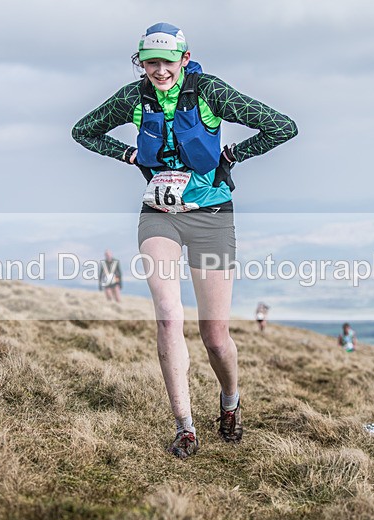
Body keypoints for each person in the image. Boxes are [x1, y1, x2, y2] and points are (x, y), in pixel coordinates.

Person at [72, 22, 297, 459]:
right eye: (150, 62)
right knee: (168, 316)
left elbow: (281, 126)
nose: (158, 71)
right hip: (160, 216)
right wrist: (128, 154)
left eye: (167, 62)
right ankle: (185, 427)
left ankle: (230, 401)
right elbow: (83, 130)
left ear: (185, 59)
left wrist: (231, 155)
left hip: (211, 214)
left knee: (214, 335)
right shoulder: (132, 97)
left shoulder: (209, 91)